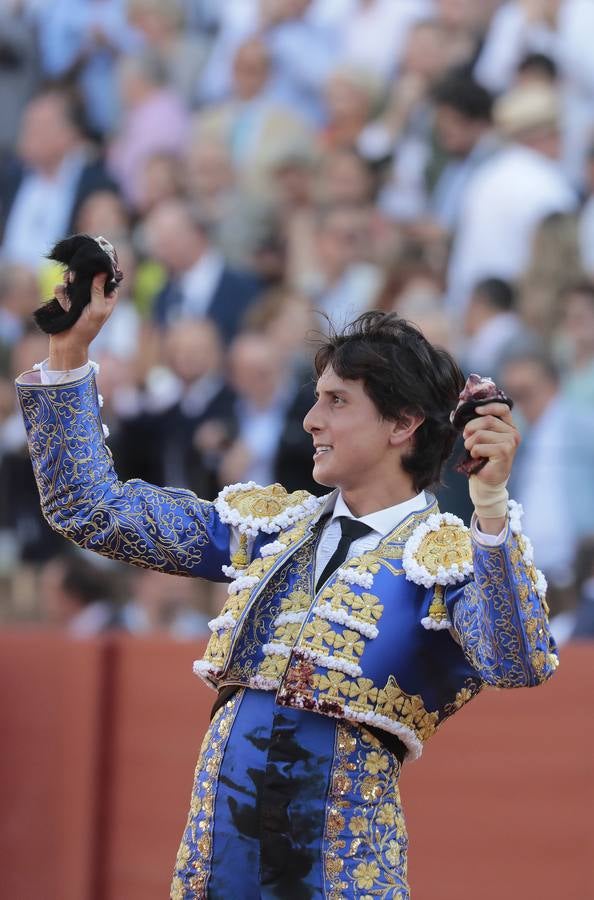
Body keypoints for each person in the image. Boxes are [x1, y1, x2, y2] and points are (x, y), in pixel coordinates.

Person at [16, 273, 557, 898]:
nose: (309, 420)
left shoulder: (450, 558)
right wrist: (67, 351)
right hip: (215, 870)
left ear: (402, 422)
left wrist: (488, 504)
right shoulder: (269, 530)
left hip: (341, 874)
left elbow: (520, 661)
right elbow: (90, 508)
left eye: (336, 401)